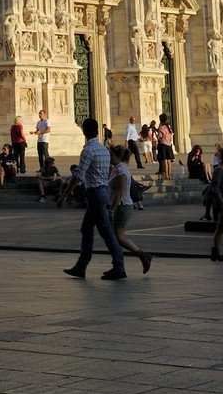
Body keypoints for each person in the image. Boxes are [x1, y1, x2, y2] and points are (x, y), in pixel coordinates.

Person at [58, 116, 127, 280]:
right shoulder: (104, 150)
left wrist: (64, 195)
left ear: (84, 131)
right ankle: (81, 267)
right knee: (87, 228)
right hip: (103, 192)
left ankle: (119, 266)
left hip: (95, 194)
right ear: (97, 131)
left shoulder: (88, 150)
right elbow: (108, 170)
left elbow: (78, 175)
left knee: (106, 231)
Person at [108, 145, 152, 274]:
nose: (109, 158)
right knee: (116, 238)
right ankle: (117, 264)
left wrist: (112, 209)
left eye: (111, 155)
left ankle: (143, 255)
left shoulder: (121, 171)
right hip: (120, 205)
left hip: (122, 206)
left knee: (119, 237)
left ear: (118, 157)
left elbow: (120, 192)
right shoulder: (117, 169)